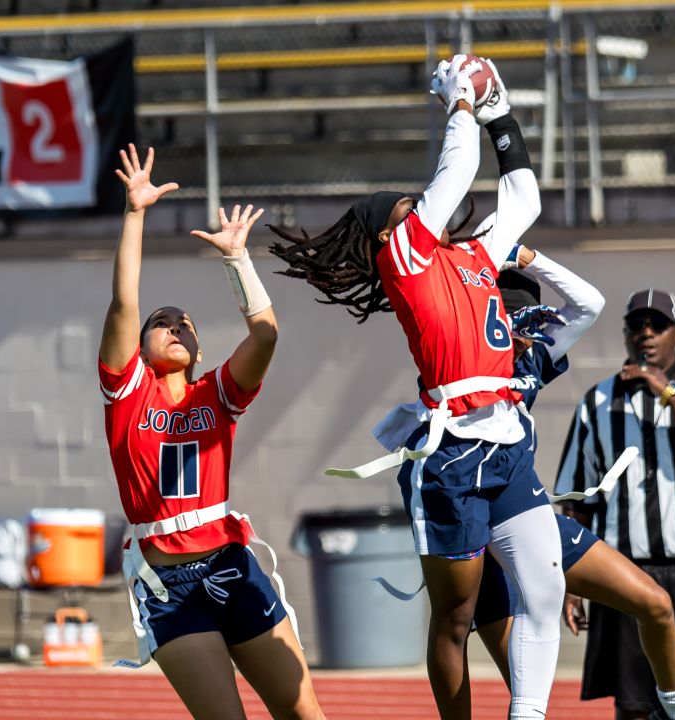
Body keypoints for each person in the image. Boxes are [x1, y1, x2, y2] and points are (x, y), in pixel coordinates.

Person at [269, 58, 564, 720]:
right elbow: (455, 174)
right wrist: (460, 102)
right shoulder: (402, 258)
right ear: (387, 232)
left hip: (507, 440)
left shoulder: (469, 255)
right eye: (407, 206)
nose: (422, 206)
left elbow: (525, 201)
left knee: (544, 593)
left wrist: (499, 115)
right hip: (452, 450)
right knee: (456, 617)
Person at [98, 144, 324, 720]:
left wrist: (238, 260)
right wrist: (135, 213)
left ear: (199, 348)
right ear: (139, 347)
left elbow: (266, 334)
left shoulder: (217, 392)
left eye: (185, 324)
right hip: (167, 582)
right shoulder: (127, 392)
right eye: (161, 323)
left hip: (230, 563)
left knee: (305, 713)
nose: (174, 326)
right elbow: (125, 301)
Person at [468, 272, 675, 720]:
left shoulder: (532, 359)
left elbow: (587, 304)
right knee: (482, 650)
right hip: (470, 518)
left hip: (524, 512)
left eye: (533, 324)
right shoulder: (458, 362)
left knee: (655, 605)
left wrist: (529, 257)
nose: (526, 336)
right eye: (515, 323)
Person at [554, 289, 675, 720]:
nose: (646, 333)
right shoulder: (597, 402)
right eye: (636, 325)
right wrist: (572, 583)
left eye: (657, 325)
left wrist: (669, 394)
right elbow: (580, 500)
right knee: (635, 707)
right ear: (625, 333)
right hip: (627, 574)